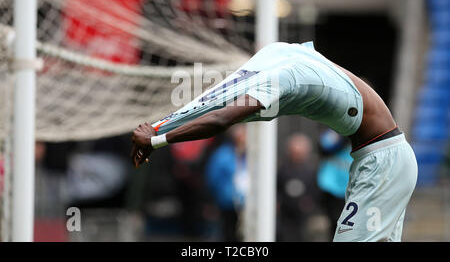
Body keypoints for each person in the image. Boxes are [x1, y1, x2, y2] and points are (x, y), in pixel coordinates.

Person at [131, 41, 418, 242]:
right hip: (384, 156)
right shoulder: (288, 57)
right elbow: (218, 106)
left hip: (383, 162)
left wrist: (159, 140)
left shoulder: (278, 79)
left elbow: (220, 119)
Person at [205, 124, 248, 241]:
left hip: (247, 203)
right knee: (229, 232)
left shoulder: (251, 156)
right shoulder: (222, 155)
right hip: (228, 203)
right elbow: (213, 179)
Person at [277, 134, 318, 241]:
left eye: (299, 153)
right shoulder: (283, 170)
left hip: (302, 215)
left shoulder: (310, 171)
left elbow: (315, 191)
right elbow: (278, 188)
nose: (296, 156)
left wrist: (309, 203)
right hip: (285, 214)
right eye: (294, 153)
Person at [317, 128, 353, 241]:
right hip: (332, 189)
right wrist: (342, 136)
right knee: (335, 223)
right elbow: (323, 147)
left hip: (351, 190)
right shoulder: (333, 133)